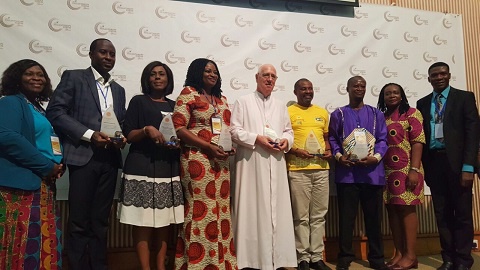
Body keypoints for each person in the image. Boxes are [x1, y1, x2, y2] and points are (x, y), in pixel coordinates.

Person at [46, 38, 127, 270]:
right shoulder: (74, 77)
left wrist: (121, 137)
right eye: (103, 52)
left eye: (112, 54)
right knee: (80, 222)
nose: (108, 57)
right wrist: (89, 134)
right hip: (83, 157)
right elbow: (56, 112)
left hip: (110, 159)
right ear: (91, 54)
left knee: (101, 222)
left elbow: (119, 121)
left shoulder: (119, 90)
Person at [117, 61, 184, 270]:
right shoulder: (138, 101)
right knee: (142, 220)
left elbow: (179, 135)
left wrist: (178, 143)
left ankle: (160, 266)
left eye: (161, 74)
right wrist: (146, 129)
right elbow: (129, 134)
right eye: (153, 74)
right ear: (147, 79)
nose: (157, 77)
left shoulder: (175, 106)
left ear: (168, 79)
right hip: (141, 167)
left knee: (165, 220)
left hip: (167, 167)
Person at [172, 58, 237, 270]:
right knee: (201, 210)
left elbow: (225, 129)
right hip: (197, 159)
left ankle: (222, 262)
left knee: (221, 210)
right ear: (197, 72)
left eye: (215, 71)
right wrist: (207, 147)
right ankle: (197, 263)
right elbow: (179, 128)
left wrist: (229, 146)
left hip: (221, 161)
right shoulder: (189, 93)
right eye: (207, 70)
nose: (212, 74)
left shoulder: (222, 99)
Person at [230, 64, 296, 270]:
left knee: (278, 211)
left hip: (275, 162)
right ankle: (250, 260)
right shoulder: (243, 101)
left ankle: (279, 259)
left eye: (273, 76)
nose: (269, 79)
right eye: (265, 75)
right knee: (252, 209)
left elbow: (288, 131)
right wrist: (256, 138)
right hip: (252, 163)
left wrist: (287, 141)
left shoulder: (280, 105)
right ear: (256, 77)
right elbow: (234, 131)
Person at [0, 59, 64, 269]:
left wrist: (57, 164)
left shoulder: (36, 108)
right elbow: (7, 137)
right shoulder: (10, 102)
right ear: (17, 78)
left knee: (39, 242)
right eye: (29, 73)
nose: (36, 78)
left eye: (40, 74)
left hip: (41, 184)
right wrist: (46, 165)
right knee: (21, 243)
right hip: (19, 188)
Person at [416, 62, 480, 270]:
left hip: (460, 165)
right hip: (435, 164)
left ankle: (463, 260)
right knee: (441, 215)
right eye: (434, 75)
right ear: (428, 79)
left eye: (443, 73)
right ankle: (448, 258)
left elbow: (473, 135)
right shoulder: (423, 103)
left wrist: (468, 167)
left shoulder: (465, 98)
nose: (439, 77)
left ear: (449, 75)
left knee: (462, 214)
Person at [328, 76, 388, 270]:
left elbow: (382, 140)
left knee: (373, 219)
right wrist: (338, 157)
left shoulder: (376, 114)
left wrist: (376, 158)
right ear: (347, 89)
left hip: (372, 173)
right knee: (346, 219)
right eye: (355, 86)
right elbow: (333, 138)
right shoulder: (339, 114)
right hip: (347, 174)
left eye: (362, 86)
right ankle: (345, 257)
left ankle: (377, 258)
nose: (359, 88)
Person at [377, 83, 425, 270]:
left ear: (402, 95)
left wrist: (414, 169)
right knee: (393, 211)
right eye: (387, 93)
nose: (392, 96)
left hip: (407, 170)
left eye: (395, 92)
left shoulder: (412, 113)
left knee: (406, 210)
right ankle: (398, 253)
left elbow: (418, 142)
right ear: (383, 97)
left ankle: (411, 256)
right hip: (387, 172)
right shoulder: (381, 117)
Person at [286, 78, 332, 270]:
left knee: (319, 216)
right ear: (295, 92)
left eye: (310, 88)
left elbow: (327, 138)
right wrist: (297, 151)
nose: (307, 92)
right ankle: (302, 258)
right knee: (301, 217)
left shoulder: (322, 112)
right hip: (298, 170)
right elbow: (283, 140)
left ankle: (316, 257)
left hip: (321, 169)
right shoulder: (287, 112)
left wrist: (329, 149)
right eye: (303, 89)